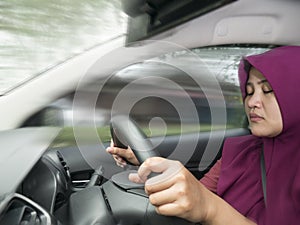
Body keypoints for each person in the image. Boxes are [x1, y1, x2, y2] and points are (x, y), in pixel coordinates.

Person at [106, 46, 300, 224]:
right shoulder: (241, 152)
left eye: (268, 90)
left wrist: (210, 208)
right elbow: (197, 195)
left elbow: (204, 201)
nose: (252, 102)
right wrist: (148, 164)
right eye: (249, 92)